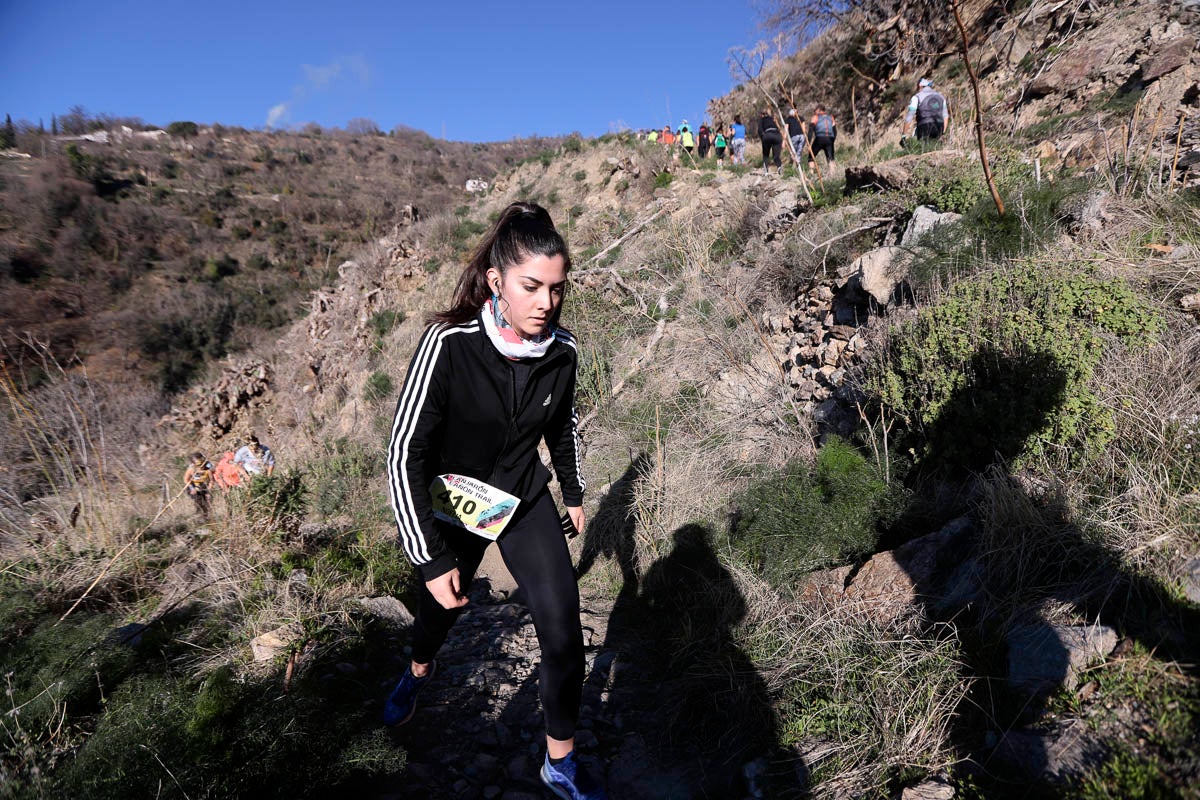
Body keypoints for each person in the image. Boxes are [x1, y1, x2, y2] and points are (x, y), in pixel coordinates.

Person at [385, 202, 604, 799]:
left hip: (524, 495)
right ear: (496, 282)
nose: (546, 303)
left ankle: (559, 762)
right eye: (531, 287)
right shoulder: (448, 344)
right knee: (441, 609)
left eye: (557, 289)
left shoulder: (564, 352)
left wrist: (573, 490)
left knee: (562, 633)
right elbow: (404, 452)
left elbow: (562, 426)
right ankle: (418, 670)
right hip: (458, 499)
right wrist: (430, 561)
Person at [902, 77, 949, 145]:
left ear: (920, 86)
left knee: (924, 150)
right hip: (939, 126)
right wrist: (943, 132)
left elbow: (909, 117)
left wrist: (904, 135)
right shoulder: (941, 97)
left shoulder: (917, 97)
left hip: (924, 127)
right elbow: (946, 116)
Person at [183, 452, 214, 519]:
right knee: (198, 500)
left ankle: (207, 515)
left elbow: (211, 480)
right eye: (198, 464)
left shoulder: (208, 468)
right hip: (193, 486)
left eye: (201, 463)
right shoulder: (191, 469)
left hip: (204, 485)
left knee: (208, 501)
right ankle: (199, 514)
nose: (201, 466)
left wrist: (209, 491)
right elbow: (186, 479)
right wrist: (192, 488)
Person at [809, 105, 837, 169]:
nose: (814, 112)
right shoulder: (831, 117)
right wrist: (832, 140)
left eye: (815, 110)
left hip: (819, 138)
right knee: (831, 158)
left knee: (811, 157)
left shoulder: (815, 117)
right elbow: (835, 131)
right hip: (830, 139)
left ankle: (811, 173)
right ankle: (833, 175)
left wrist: (809, 142)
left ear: (819, 110)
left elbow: (810, 131)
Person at [758, 109, 783, 175]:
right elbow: (779, 128)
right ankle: (779, 167)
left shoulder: (762, 119)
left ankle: (766, 170)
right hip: (777, 135)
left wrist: (762, 138)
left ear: (763, 115)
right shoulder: (773, 119)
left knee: (766, 154)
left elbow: (760, 130)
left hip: (767, 135)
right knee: (776, 156)